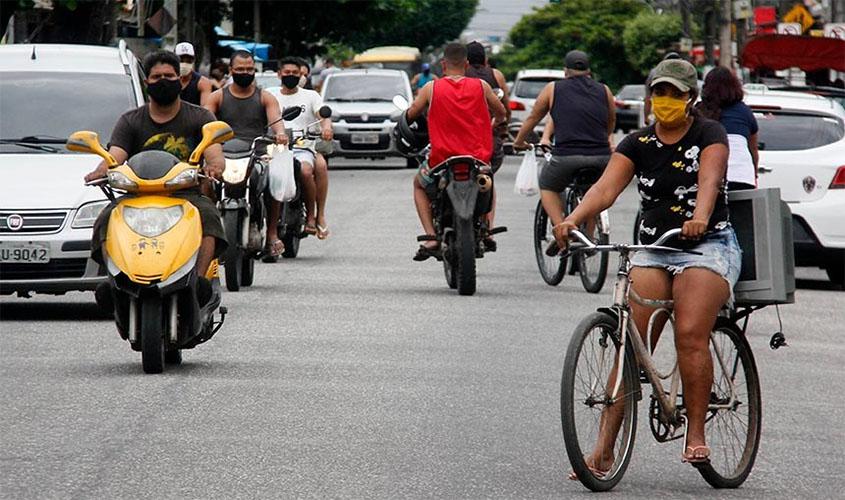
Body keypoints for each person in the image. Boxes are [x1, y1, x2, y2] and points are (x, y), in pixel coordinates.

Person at [555, 59, 740, 473]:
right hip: (655, 246)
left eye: (675, 93)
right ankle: (604, 449)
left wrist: (700, 217)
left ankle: (696, 434)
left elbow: (710, 180)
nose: (666, 101)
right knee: (630, 344)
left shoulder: (709, 133)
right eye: (660, 92)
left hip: (706, 246)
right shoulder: (637, 143)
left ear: (691, 97)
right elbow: (605, 188)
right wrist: (571, 219)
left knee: (690, 333)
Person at [84, 50, 227, 284]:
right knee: (105, 219)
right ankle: (114, 281)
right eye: (157, 76)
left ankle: (199, 281)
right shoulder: (130, 120)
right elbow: (115, 156)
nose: (163, 81)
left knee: (209, 217)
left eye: (169, 76)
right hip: (137, 195)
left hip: (186, 194)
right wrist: (101, 170)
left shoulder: (201, 117)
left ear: (180, 81)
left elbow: (214, 152)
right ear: (146, 82)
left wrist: (215, 166)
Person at [405, 43, 507, 261]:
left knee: (418, 185)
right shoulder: (482, 86)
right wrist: (492, 124)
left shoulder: (431, 88)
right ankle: (487, 228)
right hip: (477, 159)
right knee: (488, 181)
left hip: (441, 159)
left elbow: (411, 115)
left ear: (443, 64)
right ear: (467, 64)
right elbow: (502, 113)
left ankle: (431, 236)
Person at [513, 50, 616, 241]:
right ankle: (590, 235)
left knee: (548, 185)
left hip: (567, 156)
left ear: (565, 71)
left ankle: (561, 228)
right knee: (594, 190)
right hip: (602, 157)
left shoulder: (553, 89)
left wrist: (519, 141)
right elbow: (610, 121)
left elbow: (534, 117)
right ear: (589, 71)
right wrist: (606, 138)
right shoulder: (605, 90)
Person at [204, 50, 289, 259]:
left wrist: (280, 134)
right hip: (223, 155)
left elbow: (276, 119)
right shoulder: (217, 97)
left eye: (249, 69)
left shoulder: (265, 97)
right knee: (203, 183)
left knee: (274, 180)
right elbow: (205, 121)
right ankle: (207, 234)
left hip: (256, 154)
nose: (245, 72)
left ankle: (271, 234)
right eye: (240, 69)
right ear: (231, 71)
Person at [272, 56, 334, 241]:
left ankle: (312, 216)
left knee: (307, 171)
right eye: (287, 73)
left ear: (301, 75)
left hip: (303, 147)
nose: (290, 76)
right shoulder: (270, 95)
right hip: (274, 149)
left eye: (295, 73)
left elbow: (322, 115)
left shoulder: (311, 96)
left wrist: (326, 128)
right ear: (279, 74)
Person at [465, 41, 511, 251]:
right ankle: (488, 228)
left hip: (460, 142)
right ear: (484, 59)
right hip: (489, 144)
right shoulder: (496, 76)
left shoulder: (457, 78)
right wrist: (501, 129)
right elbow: (505, 110)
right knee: (488, 180)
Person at [697, 66, 759, 191]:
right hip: (742, 177)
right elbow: (753, 151)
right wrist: (754, 174)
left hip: (710, 178)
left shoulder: (699, 111)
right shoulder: (744, 112)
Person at [644, 51, 683, 122]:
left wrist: (646, 117)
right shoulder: (683, 73)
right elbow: (648, 98)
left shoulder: (654, 72)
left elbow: (647, 98)